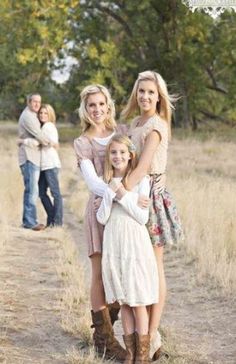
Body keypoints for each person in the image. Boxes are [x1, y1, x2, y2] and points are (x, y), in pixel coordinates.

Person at [120, 70, 183, 360]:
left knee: (155, 266)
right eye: (141, 91)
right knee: (137, 265)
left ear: (159, 97)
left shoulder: (157, 126)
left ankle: (152, 335)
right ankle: (138, 332)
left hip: (150, 199)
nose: (145, 96)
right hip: (134, 195)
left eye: (151, 92)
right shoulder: (134, 123)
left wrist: (117, 192)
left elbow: (143, 166)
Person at [73, 85, 127, 361]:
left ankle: (114, 329)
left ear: (108, 106)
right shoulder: (83, 142)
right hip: (99, 210)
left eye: (101, 104)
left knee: (119, 270)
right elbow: (94, 183)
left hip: (124, 211)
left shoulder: (121, 134)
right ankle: (104, 339)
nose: (96, 110)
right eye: (91, 105)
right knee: (98, 272)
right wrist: (118, 190)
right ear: (86, 109)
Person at [97, 134, 159, 364]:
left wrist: (122, 195)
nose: (118, 156)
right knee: (123, 301)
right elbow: (102, 217)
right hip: (115, 245)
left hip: (134, 245)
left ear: (131, 154)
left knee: (138, 299)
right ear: (109, 156)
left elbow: (142, 216)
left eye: (122, 152)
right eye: (113, 152)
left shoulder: (141, 182)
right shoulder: (108, 182)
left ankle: (142, 354)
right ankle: (130, 351)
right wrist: (110, 194)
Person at [18, 93, 50, 231]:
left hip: (33, 157)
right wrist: (47, 141)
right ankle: (30, 222)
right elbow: (41, 137)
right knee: (32, 190)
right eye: (34, 102)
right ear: (28, 102)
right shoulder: (28, 117)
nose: (37, 104)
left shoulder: (33, 116)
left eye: (39, 102)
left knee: (31, 190)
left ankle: (28, 220)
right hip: (29, 157)